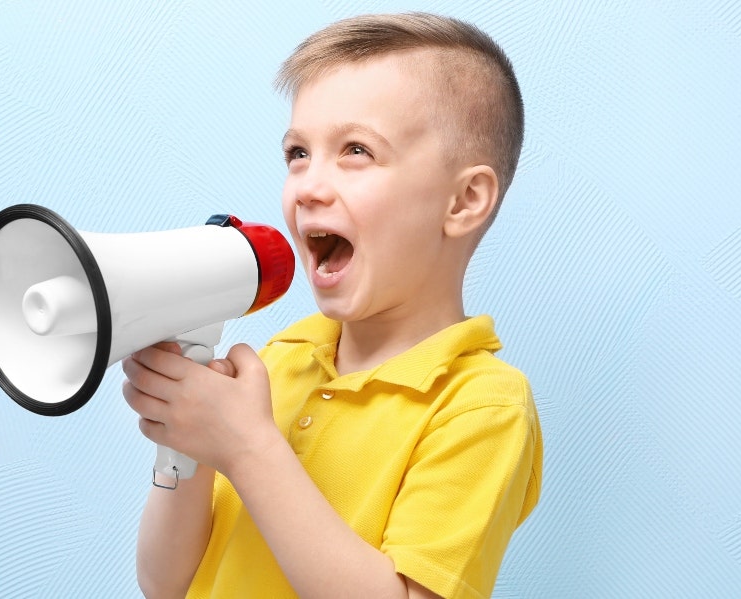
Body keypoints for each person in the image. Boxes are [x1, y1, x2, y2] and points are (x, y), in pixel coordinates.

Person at [123, 12, 542, 599]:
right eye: (298, 153)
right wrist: (187, 443)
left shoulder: (480, 407)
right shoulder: (283, 358)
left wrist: (246, 447)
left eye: (356, 150)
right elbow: (164, 582)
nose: (308, 186)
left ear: (463, 201)